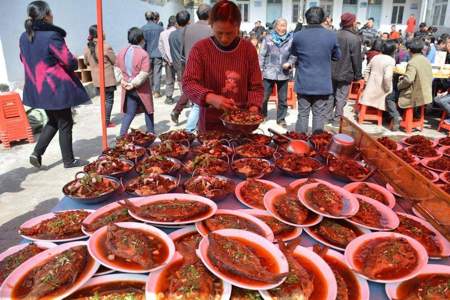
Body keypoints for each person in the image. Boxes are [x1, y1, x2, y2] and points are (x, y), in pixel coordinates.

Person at [21, 1, 89, 169]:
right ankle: (69, 160)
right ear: (45, 16)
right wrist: (73, 60)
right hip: (56, 88)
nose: (53, 15)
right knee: (65, 122)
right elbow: (68, 61)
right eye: (51, 12)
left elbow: (23, 59)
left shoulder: (24, 36)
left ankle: (36, 153)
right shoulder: (52, 35)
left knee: (53, 120)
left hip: (39, 89)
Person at [183, 0, 263, 132]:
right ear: (211, 25)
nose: (224, 39)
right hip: (210, 124)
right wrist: (210, 97)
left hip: (242, 123)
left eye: (230, 33)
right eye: (219, 33)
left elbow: (256, 86)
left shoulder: (248, 49)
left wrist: (253, 109)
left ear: (238, 27)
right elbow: (188, 83)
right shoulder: (200, 49)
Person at [291, 6, 341, 133]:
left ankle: (299, 146)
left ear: (307, 19)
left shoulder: (297, 36)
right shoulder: (331, 36)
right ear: (323, 19)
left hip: (303, 81)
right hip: (322, 82)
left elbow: (294, 54)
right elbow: (337, 56)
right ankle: (317, 145)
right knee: (319, 115)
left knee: (302, 114)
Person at [171, 4, 213, 131]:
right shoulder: (212, 29)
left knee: (198, 100)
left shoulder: (186, 29)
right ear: (210, 14)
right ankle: (190, 130)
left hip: (191, 67)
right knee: (199, 102)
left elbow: (182, 52)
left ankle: (195, 128)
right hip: (208, 70)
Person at [116, 27, 154, 135]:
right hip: (141, 88)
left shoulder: (122, 51)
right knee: (148, 110)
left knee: (129, 113)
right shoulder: (143, 54)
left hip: (127, 86)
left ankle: (122, 135)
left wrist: (123, 81)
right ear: (141, 38)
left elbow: (117, 68)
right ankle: (151, 132)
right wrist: (133, 84)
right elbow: (144, 73)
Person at [259, 18, 296, 127]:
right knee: (264, 97)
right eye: (279, 25)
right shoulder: (268, 38)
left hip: (283, 73)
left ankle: (281, 119)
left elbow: (294, 55)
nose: (281, 28)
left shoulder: (291, 39)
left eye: (284, 25)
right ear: (275, 27)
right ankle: (263, 115)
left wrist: (289, 63)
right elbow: (262, 55)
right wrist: (260, 69)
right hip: (269, 72)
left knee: (283, 99)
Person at [330, 12, 362, 127]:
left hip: (331, 72)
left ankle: (328, 117)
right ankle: (337, 120)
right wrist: (358, 75)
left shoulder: (333, 34)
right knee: (341, 97)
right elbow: (356, 59)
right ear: (352, 23)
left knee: (331, 95)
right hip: (346, 72)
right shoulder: (355, 39)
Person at [84, 25, 117, 128]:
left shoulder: (87, 47)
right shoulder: (106, 46)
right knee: (109, 100)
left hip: (97, 80)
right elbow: (114, 60)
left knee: (103, 100)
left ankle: (104, 120)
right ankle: (106, 121)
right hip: (107, 79)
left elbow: (86, 62)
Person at [396, 38, 433, 121]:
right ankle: (414, 114)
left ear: (409, 50)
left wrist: (399, 85)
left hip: (415, 95)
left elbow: (408, 80)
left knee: (393, 94)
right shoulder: (426, 60)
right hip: (426, 93)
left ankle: (397, 117)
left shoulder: (412, 62)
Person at [360, 39, 396, 116]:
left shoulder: (376, 57)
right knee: (393, 95)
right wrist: (387, 89)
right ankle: (390, 116)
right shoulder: (391, 60)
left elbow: (366, 71)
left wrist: (367, 82)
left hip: (370, 89)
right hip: (381, 91)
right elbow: (387, 77)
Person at [168, 10, 191, 124]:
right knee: (191, 88)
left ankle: (177, 110)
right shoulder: (189, 32)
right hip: (188, 64)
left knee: (188, 88)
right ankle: (177, 110)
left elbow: (172, 51)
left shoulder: (172, 34)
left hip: (178, 65)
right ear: (189, 20)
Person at [142, 11, 164, 98]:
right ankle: (157, 92)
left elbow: (142, 43)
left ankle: (150, 90)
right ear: (153, 17)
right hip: (158, 53)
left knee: (149, 73)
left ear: (146, 18)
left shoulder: (142, 29)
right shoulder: (160, 28)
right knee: (157, 73)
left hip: (147, 54)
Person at [158, 15, 177, 104]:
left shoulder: (163, 33)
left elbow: (161, 48)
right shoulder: (179, 32)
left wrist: (166, 59)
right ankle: (185, 98)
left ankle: (169, 97)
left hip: (168, 61)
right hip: (179, 60)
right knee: (182, 79)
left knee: (169, 79)